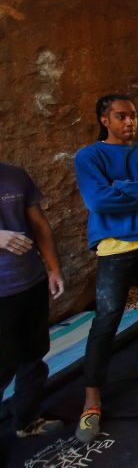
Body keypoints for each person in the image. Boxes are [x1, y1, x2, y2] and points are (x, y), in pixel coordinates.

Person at [73, 94, 138, 443]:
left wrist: (121, 186)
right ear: (105, 120)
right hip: (114, 247)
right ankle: (91, 401)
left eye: (133, 115)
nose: (130, 121)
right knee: (107, 319)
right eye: (121, 116)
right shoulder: (89, 157)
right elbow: (97, 200)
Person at [0, 162, 65, 438]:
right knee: (2, 365)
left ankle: (26, 421)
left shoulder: (15, 175)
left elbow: (38, 224)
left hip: (30, 281)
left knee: (33, 355)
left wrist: (53, 268)